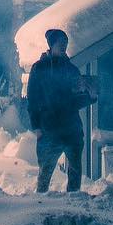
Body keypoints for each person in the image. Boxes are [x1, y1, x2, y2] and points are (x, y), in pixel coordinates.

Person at [27, 28, 91, 193]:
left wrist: (90, 94)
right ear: (51, 45)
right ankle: (39, 205)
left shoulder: (71, 70)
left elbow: (77, 101)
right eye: (60, 43)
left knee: (75, 171)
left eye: (65, 43)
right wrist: (36, 126)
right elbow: (32, 98)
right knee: (45, 173)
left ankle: (74, 202)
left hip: (72, 130)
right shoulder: (39, 68)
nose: (63, 46)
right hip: (49, 129)